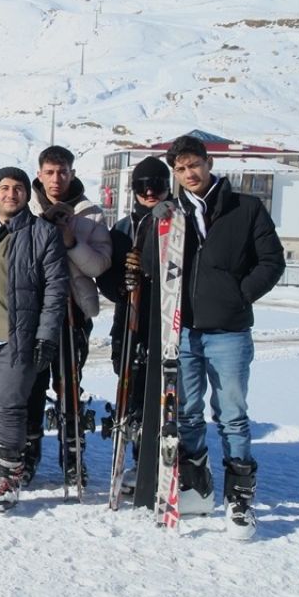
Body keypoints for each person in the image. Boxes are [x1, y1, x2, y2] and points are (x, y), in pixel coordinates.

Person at [142, 133, 284, 539]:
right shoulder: (172, 213)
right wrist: (157, 226)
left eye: (194, 165)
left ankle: (239, 499)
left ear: (209, 163)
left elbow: (272, 260)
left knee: (232, 416)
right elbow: (154, 269)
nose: (189, 174)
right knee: (186, 413)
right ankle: (195, 486)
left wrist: (240, 295)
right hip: (183, 330)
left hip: (230, 331)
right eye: (181, 169)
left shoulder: (246, 208)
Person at [0, 167, 69, 512]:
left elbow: (56, 291)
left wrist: (46, 337)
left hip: (17, 337)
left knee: (10, 407)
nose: (11, 194)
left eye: (18, 188)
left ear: (27, 194)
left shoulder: (42, 233)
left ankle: (9, 478)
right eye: (4, 187)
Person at [26, 145, 112, 485]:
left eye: (62, 172)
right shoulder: (26, 206)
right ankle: (28, 454)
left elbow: (100, 264)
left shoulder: (89, 213)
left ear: (72, 173)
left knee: (69, 386)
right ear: (39, 174)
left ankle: (73, 456)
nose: (56, 178)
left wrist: (71, 241)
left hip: (73, 307)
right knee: (31, 385)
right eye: (49, 172)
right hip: (33, 309)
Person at [96, 156, 170, 491]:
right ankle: (137, 460)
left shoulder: (178, 225)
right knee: (132, 390)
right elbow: (107, 283)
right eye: (143, 186)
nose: (151, 192)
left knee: (165, 394)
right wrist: (124, 283)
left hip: (168, 319)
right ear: (134, 189)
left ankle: (158, 463)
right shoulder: (123, 230)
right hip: (130, 319)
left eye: (157, 184)